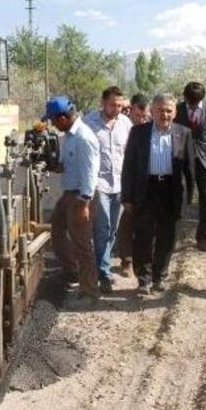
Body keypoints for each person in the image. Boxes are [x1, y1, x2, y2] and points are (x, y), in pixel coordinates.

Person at [121, 94, 195, 295]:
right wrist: (127, 197)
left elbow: (190, 169)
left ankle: (159, 277)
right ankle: (143, 279)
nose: (165, 114)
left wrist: (189, 197)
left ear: (175, 112)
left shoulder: (184, 133)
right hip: (146, 190)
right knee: (143, 236)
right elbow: (128, 166)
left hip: (170, 191)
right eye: (160, 110)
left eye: (169, 110)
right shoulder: (138, 132)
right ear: (152, 111)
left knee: (167, 237)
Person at [45, 96, 101, 304]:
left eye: (53, 120)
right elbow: (65, 165)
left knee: (82, 244)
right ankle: (73, 272)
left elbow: (90, 173)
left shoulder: (84, 137)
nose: (52, 124)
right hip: (68, 194)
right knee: (57, 232)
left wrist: (84, 202)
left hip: (81, 196)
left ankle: (90, 292)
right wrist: (50, 164)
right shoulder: (69, 135)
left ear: (63, 118)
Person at [84, 86, 132, 293]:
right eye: (113, 104)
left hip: (120, 184)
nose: (117, 109)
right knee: (102, 228)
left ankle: (100, 266)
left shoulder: (126, 124)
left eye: (120, 105)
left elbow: (130, 153)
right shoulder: (88, 123)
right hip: (99, 184)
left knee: (113, 229)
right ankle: (103, 272)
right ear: (102, 102)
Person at [174, 81, 206, 251]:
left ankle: (204, 237)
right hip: (181, 159)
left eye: (195, 103)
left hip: (205, 160)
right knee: (177, 196)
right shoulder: (177, 109)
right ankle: (173, 236)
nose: (192, 105)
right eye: (189, 102)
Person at [115, 92, 150, 278]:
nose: (142, 120)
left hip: (145, 182)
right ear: (130, 111)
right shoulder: (123, 126)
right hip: (125, 179)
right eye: (138, 116)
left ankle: (144, 261)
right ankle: (126, 261)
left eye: (145, 116)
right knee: (127, 221)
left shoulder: (152, 127)